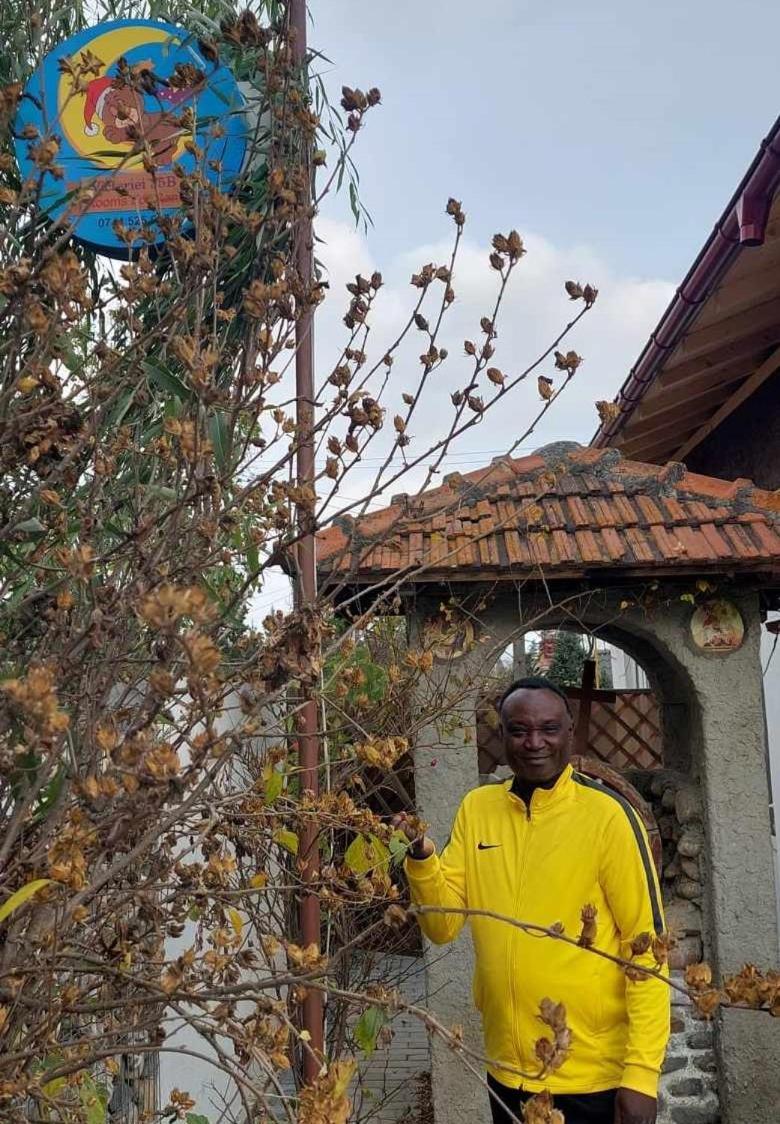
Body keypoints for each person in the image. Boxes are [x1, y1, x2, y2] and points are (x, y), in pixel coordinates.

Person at [395, 676, 669, 1124]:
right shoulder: (477, 809)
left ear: (569, 733)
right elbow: (442, 926)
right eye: (519, 730)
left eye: (548, 728)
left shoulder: (608, 817)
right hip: (508, 1069)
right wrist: (423, 862)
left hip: (592, 1077)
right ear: (501, 736)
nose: (534, 742)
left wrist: (640, 1077)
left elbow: (647, 950)